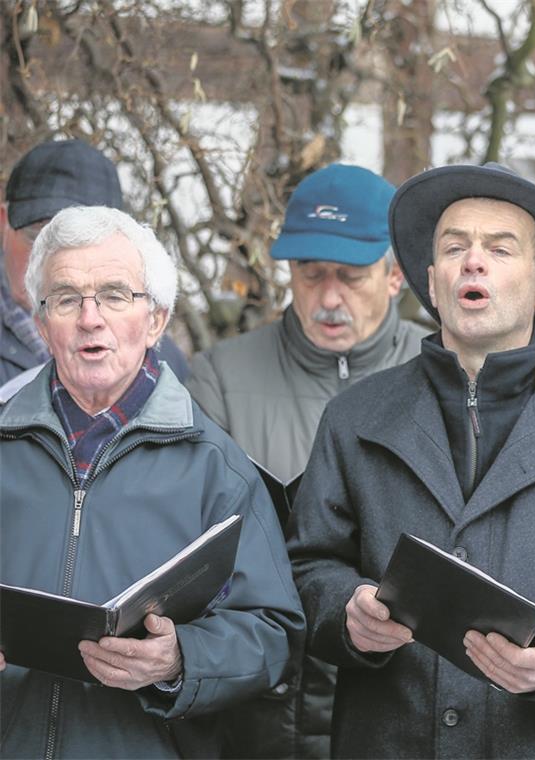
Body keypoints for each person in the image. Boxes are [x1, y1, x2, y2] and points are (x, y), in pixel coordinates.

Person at [286, 163, 535, 758]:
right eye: (454, 248)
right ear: (432, 280)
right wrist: (348, 614)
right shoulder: (355, 417)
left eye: (500, 248)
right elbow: (308, 567)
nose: (473, 261)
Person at [0, 206, 305, 758]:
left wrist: (180, 659)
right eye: (66, 299)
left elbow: (274, 634)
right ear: (43, 325)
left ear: (156, 320)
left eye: (115, 295)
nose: (91, 318)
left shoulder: (216, 466)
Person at [186, 163, 428, 758]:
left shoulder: (440, 373)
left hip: (401, 700)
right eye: (309, 273)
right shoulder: (219, 376)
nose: (327, 297)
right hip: (262, 708)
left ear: (396, 274)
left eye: (350, 276)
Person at [1, 138, 189, 388]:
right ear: (3, 222)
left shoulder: (161, 361)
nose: (45, 258)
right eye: (36, 234)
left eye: (79, 243)